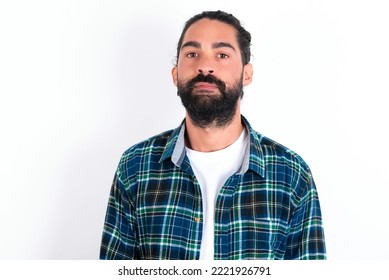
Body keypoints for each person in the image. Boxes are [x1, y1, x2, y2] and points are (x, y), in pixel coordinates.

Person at [100, 10, 326, 260]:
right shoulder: (135, 167)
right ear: (175, 74)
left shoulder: (291, 174)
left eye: (222, 55)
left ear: (246, 74)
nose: (205, 66)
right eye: (192, 54)